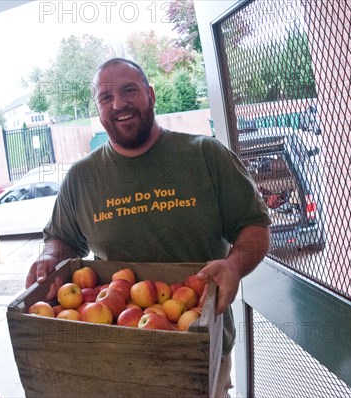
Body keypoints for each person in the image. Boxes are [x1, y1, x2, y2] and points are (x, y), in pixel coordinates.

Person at [25, 58, 271, 397]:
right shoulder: (82, 177)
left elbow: (254, 225)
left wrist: (234, 265)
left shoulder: (205, 156)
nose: (119, 104)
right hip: (119, 358)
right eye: (105, 97)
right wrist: (50, 259)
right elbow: (62, 239)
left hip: (199, 349)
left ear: (151, 95)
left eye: (129, 90)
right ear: (97, 109)